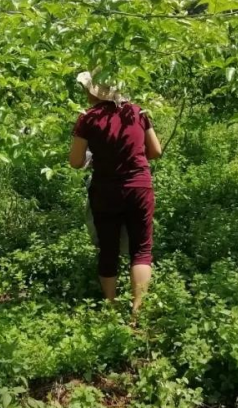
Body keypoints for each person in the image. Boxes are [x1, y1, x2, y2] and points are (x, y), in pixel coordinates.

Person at [69, 71, 162, 313]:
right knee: (141, 249)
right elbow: (156, 151)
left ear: (93, 91)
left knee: (108, 248)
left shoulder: (87, 118)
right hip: (139, 187)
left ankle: (110, 307)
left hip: (106, 190)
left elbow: (76, 161)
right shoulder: (137, 111)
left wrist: (96, 158)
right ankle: (137, 310)